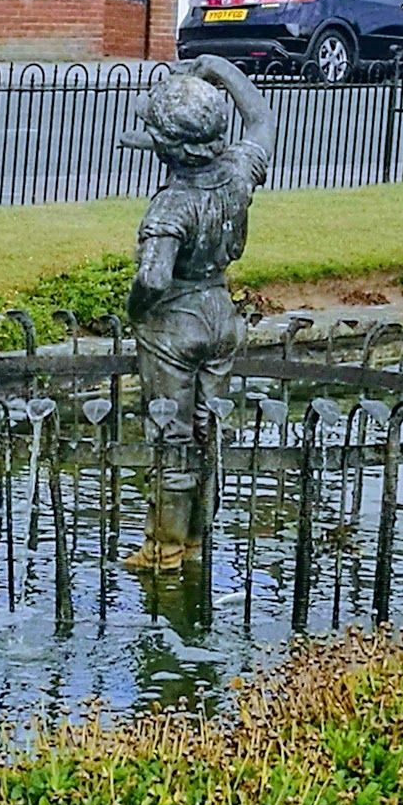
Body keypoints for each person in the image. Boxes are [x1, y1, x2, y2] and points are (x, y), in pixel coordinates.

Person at [120, 55, 274, 568]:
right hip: (221, 312)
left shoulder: (171, 204)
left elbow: (152, 277)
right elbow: (260, 118)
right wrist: (218, 67)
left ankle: (164, 546)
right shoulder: (236, 172)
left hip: (175, 319)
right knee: (210, 429)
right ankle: (197, 539)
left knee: (170, 433)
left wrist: (136, 311)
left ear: (168, 147)